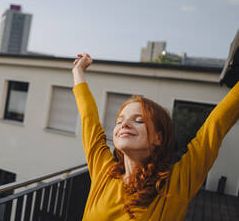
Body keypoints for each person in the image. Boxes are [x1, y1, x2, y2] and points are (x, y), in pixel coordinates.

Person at [72, 53, 239, 220]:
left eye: (138, 121)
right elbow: (89, 119)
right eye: (119, 120)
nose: (124, 124)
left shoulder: (177, 184)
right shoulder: (104, 172)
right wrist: (78, 71)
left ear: (158, 138)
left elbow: (216, 125)